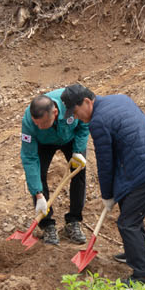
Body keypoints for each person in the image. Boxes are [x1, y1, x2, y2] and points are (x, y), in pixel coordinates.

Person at [87, 90, 145, 288]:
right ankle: (141, 253)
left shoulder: (97, 121)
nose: (77, 118)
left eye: (76, 112)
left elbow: (105, 162)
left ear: (86, 102)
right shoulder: (120, 98)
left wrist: (107, 195)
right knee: (130, 209)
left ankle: (143, 277)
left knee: (127, 223)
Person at [21, 84, 94, 245]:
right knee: (39, 174)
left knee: (79, 173)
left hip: (71, 138)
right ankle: (47, 224)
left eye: (42, 124)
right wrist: (38, 194)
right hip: (44, 143)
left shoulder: (71, 102)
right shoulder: (29, 122)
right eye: (36, 124)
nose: (39, 127)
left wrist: (78, 150)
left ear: (55, 113)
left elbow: (84, 125)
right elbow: (29, 158)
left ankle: (73, 221)